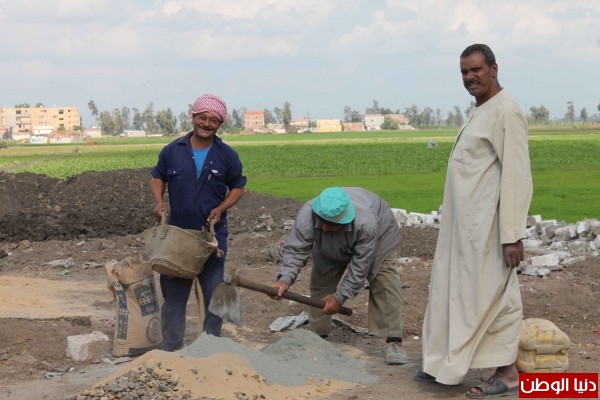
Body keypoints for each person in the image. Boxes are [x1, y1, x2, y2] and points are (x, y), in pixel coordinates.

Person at [415, 44, 533, 398]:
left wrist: (512, 235)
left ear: (494, 69)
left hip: (490, 230)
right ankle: (446, 363)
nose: (469, 77)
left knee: (496, 297)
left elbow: (517, 176)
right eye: (464, 72)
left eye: (476, 70)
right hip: (463, 230)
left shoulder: (506, 111)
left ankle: (508, 374)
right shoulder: (481, 110)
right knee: (457, 293)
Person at [150, 93, 247, 351]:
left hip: (212, 237)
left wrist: (221, 208)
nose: (206, 124)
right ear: (193, 117)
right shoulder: (172, 150)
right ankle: (171, 346)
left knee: (213, 292)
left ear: (219, 124)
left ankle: (210, 345)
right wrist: (159, 202)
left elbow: (238, 187)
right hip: (178, 237)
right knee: (174, 294)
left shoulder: (227, 155)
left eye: (213, 120)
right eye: (202, 118)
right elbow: (158, 176)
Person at [271, 186, 407, 365]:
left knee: (384, 280)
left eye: (331, 224)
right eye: (322, 222)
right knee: (321, 280)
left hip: (381, 234)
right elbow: (296, 250)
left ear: (345, 219)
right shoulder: (308, 215)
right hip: (330, 240)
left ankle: (394, 340)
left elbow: (360, 267)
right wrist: (284, 279)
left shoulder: (366, 223)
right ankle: (317, 336)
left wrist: (340, 297)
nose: (325, 227)